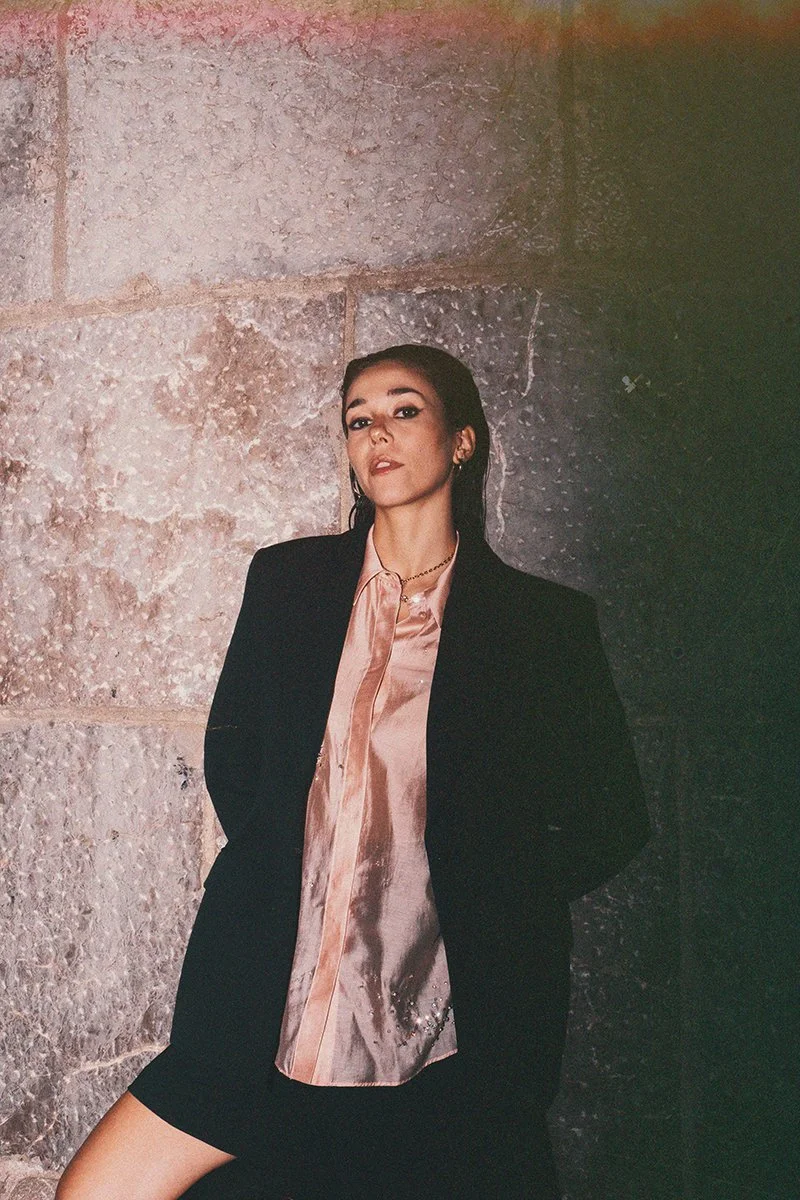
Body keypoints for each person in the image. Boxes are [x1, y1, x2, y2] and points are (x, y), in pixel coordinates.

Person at [56, 344, 650, 1200]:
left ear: (463, 441)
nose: (378, 432)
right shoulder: (289, 582)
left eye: (405, 410)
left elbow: (611, 816)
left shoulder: (540, 625)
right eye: (358, 419)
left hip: (442, 1046)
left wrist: (485, 889)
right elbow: (238, 759)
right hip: (262, 1015)